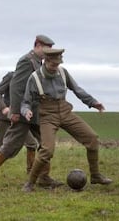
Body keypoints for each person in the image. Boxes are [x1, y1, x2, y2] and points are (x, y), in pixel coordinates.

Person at [21, 48, 112, 192]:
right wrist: (26, 111)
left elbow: (77, 89)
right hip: (47, 116)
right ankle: (30, 183)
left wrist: (93, 103)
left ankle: (95, 176)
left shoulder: (63, 72)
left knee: (92, 138)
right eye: (53, 65)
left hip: (65, 111)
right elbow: (26, 101)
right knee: (47, 150)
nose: (55, 68)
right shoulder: (35, 78)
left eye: (58, 64)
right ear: (45, 61)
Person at [0, 35, 60, 188]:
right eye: (47, 48)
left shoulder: (38, 62)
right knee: (10, 145)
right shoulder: (26, 61)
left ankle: (44, 177)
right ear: (37, 45)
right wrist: (15, 111)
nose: (49, 52)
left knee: (46, 142)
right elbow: (16, 87)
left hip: (35, 113)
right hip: (23, 113)